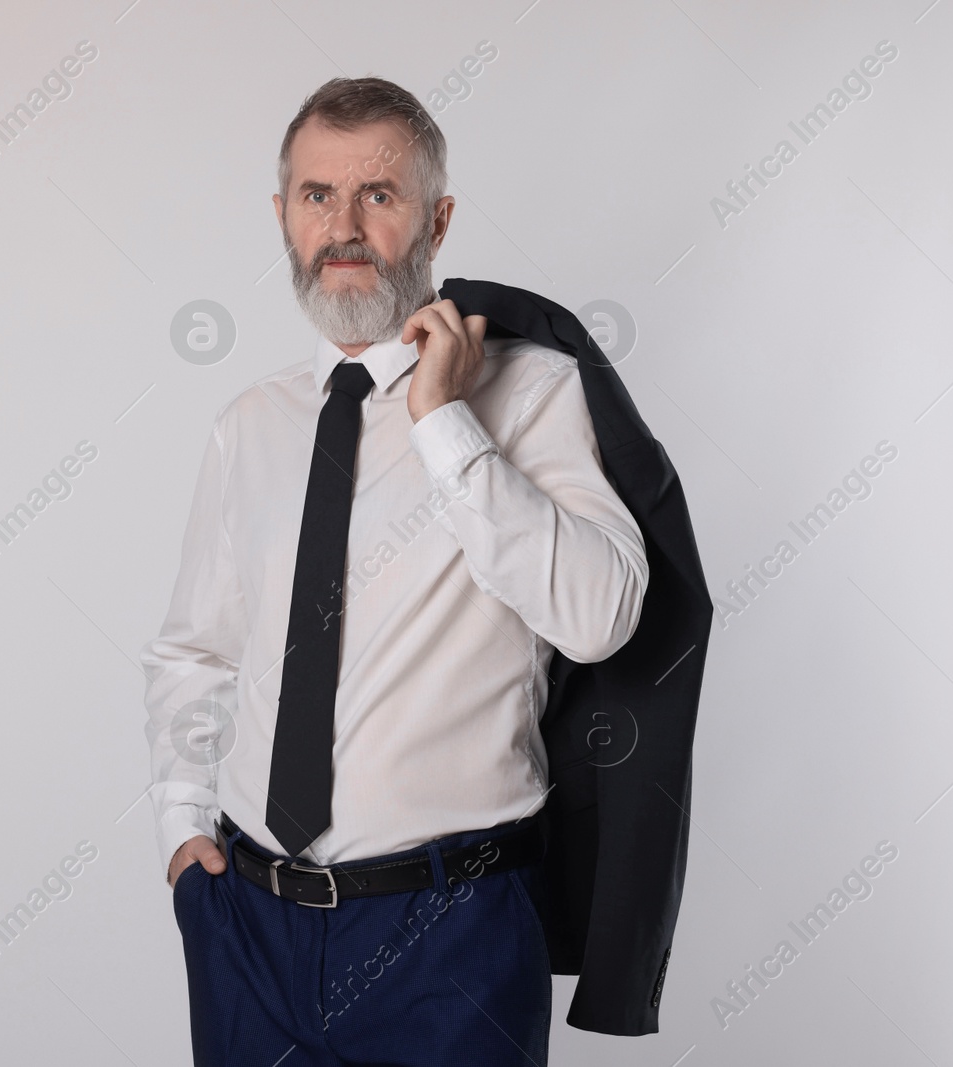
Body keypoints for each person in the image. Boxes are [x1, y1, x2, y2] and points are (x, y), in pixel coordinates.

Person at [140, 75, 648, 1067]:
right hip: (246, 924)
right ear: (282, 215)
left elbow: (602, 615)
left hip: (445, 934)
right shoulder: (252, 422)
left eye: (377, 194)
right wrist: (179, 822)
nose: (343, 225)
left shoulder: (536, 391)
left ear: (437, 217)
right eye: (315, 194)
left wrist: (446, 422)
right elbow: (197, 645)